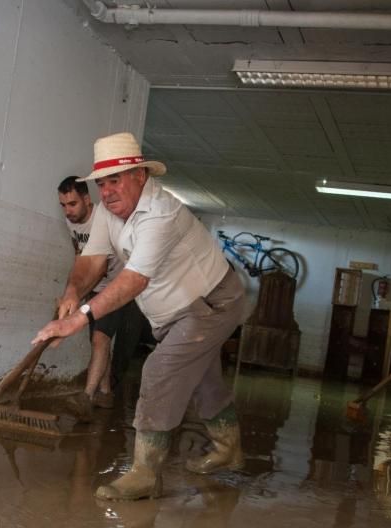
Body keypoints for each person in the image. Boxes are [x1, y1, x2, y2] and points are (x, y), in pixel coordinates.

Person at [33, 132, 248, 501]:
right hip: (174, 311)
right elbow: (91, 260)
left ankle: (145, 473)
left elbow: (134, 279)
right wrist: (73, 291)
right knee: (200, 375)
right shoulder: (107, 213)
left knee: (160, 371)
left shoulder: (161, 214)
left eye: (115, 180)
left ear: (140, 176)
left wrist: (78, 318)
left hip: (211, 303)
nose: (108, 191)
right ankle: (229, 447)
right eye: (101, 184)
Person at [57, 176, 124, 414]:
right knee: (97, 341)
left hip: (116, 287)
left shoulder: (102, 219)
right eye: (63, 205)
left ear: (87, 199)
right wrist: (69, 293)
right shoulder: (72, 223)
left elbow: (100, 268)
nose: (68, 211)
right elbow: (80, 258)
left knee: (100, 339)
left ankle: (86, 396)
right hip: (94, 286)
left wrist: (77, 298)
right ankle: (105, 393)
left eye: (73, 204)